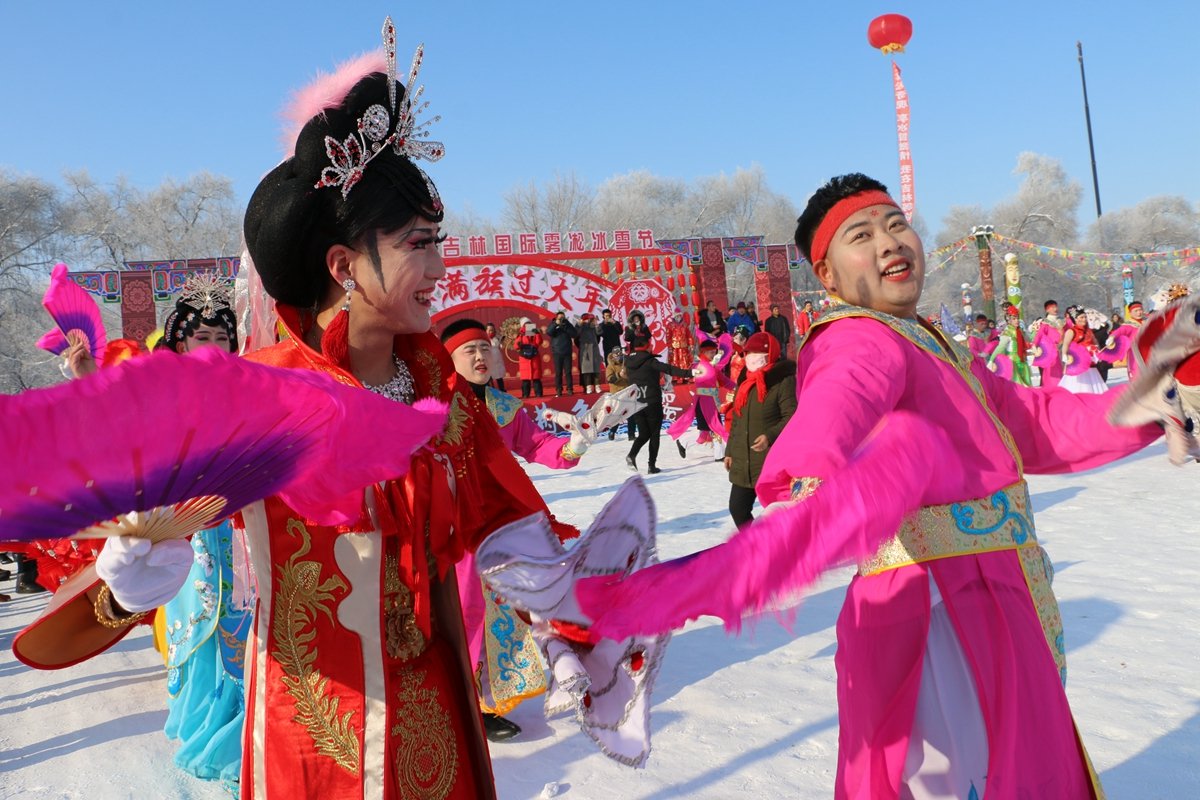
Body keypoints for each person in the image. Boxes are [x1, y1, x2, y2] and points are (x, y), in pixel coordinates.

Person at [573, 174, 1164, 799]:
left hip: (995, 591)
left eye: (896, 224)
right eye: (861, 235)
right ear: (828, 275)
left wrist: (1159, 396)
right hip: (939, 611)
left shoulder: (932, 343)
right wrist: (809, 487)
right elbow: (839, 403)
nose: (889, 242)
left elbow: (1036, 420)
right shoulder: (857, 336)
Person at [438, 318, 634, 743]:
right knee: (465, 612)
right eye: (468, 350)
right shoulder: (436, 407)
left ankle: (485, 702)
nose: (479, 356)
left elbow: (539, 446)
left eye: (484, 348)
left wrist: (578, 441)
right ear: (448, 360)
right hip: (454, 527)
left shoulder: (504, 408)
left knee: (511, 609)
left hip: (503, 526)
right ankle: (457, 699)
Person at [724, 332, 796, 527]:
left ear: (769, 354)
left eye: (756, 353)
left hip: (770, 459)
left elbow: (792, 416)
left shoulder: (782, 380)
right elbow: (737, 419)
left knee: (776, 513)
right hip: (743, 459)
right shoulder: (744, 381)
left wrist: (769, 436)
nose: (750, 357)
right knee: (738, 508)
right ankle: (756, 542)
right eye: (748, 353)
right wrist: (729, 451)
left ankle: (781, 544)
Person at [624, 334, 692, 474]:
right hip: (652, 401)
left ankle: (631, 455)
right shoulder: (650, 361)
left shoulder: (628, 362)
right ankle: (651, 465)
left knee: (644, 433)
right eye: (650, 345)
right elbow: (669, 369)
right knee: (654, 434)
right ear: (647, 346)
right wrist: (689, 373)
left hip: (636, 402)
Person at [669, 336, 733, 460]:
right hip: (704, 401)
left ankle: (683, 441)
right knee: (716, 427)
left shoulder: (711, 366)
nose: (713, 354)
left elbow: (724, 380)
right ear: (703, 352)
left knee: (705, 431)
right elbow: (706, 377)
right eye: (711, 352)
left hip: (711, 401)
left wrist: (737, 386)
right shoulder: (699, 366)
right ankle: (719, 455)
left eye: (714, 352)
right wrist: (714, 366)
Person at [1059, 305, 1108, 394]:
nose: (1084, 319)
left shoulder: (1089, 331)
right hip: (1077, 362)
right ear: (1075, 319)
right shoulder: (1071, 331)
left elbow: (1095, 342)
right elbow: (1065, 344)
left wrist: (1098, 351)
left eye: (1085, 317)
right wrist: (1064, 355)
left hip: (1090, 362)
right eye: (1081, 317)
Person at [546, 310, 577, 396]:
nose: (561, 319)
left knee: (568, 372)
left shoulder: (567, 324)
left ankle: (570, 389)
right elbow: (549, 332)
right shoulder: (553, 324)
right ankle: (559, 390)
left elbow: (574, 334)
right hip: (557, 352)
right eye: (560, 318)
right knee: (558, 372)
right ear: (556, 318)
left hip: (567, 351)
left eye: (563, 317)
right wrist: (556, 324)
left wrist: (566, 326)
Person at [515, 317, 544, 398]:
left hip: (534, 357)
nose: (527, 325)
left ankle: (538, 393)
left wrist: (537, 334)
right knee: (525, 380)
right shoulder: (520, 334)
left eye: (528, 323)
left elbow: (539, 342)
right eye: (525, 324)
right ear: (522, 325)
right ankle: (525, 394)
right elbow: (516, 346)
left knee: (536, 378)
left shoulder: (533, 331)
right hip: (524, 358)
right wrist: (519, 343)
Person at [575, 312, 604, 393]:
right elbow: (575, 333)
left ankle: (597, 386)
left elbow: (600, 333)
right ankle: (588, 387)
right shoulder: (581, 326)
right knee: (586, 369)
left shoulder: (593, 326)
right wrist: (579, 324)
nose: (588, 320)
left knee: (596, 369)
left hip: (594, 349)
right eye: (586, 319)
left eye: (590, 319)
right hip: (585, 349)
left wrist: (596, 324)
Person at [664, 310, 695, 379]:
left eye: (679, 315)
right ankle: (676, 377)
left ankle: (686, 376)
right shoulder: (670, 325)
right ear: (674, 316)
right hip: (674, 348)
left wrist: (691, 345)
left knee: (685, 361)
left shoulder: (685, 325)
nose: (678, 317)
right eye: (677, 316)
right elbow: (668, 337)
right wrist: (670, 347)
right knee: (675, 362)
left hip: (684, 346)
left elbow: (689, 336)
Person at [484, 322, 506, 391]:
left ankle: (502, 389)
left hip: (497, 359)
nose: (491, 332)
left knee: (499, 375)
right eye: (489, 330)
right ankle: (492, 391)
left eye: (492, 330)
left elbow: (501, 347)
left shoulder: (496, 338)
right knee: (490, 376)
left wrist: (502, 342)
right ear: (486, 330)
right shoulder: (484, 339)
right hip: (489, 359)